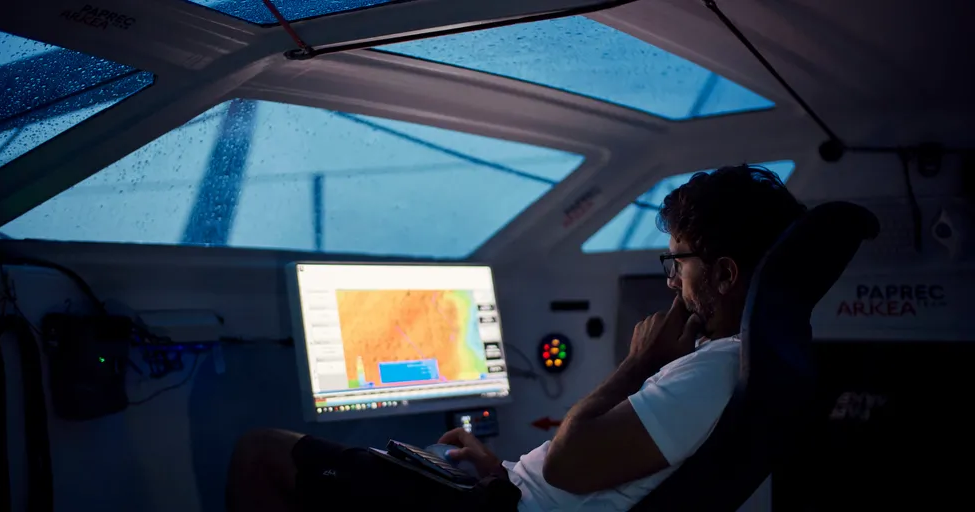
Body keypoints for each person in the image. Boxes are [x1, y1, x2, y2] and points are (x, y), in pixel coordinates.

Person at [225, 164, 806, 511]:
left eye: (677, 262)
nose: (673, 280)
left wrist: (636, 364)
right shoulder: (736, 363)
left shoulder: (710, 372)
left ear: (725, 275)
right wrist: (503, 473)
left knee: (260, 452)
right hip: (505, 496)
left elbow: (567, 471)